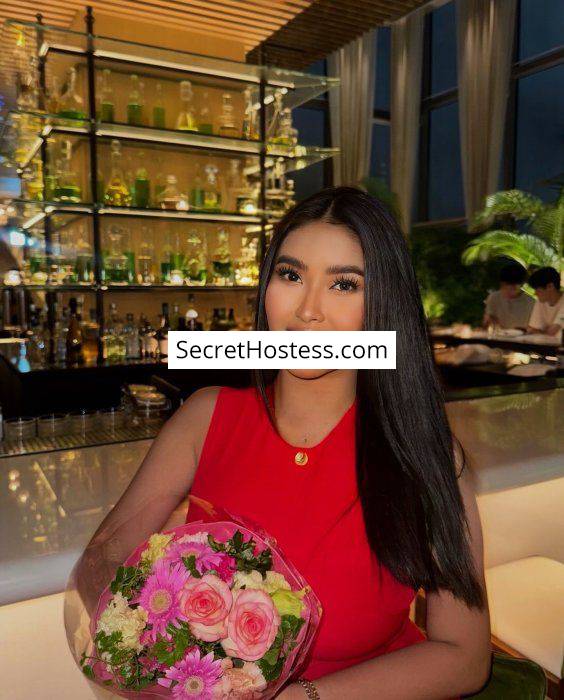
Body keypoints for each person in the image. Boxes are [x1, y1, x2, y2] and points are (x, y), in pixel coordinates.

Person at [75, 187, 490, 699]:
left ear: (386, 303)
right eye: (291, 276)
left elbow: (465, 655)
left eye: (344, 284)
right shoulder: (206, 417)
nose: (308, 310)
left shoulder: (420, 450)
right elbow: (103, 561)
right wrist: (162, 659)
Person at [482, 263, 534, 330]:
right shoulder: (494, 297)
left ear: (521, 285)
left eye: (513, 288)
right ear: (502, 284)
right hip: (500, 335)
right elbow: (487, 322)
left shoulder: (530, 302)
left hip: (523, 335)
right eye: (505, 287)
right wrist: (489, 320)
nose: (508, 291)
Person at [526, 266, 564, 337]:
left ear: (550, 286)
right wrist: (543, 331)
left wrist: (542, 331)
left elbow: (552, 332)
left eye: (538, 290)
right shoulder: (541, 301)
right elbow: (532, 329)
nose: (535, 293)